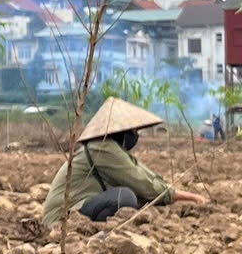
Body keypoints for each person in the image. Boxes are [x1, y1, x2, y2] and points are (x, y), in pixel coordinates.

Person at [38, 97, 210, 226]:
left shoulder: (109, 149)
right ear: (122, 131)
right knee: (125, 196)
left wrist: (173, 192)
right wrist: (188, 196)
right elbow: (141, 182)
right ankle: (95, 231)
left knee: (133, 197)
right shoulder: (102, 149)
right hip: (61, 219)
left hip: (75, 210)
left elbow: (141, 172)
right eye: (134, 131)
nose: (136, 135)